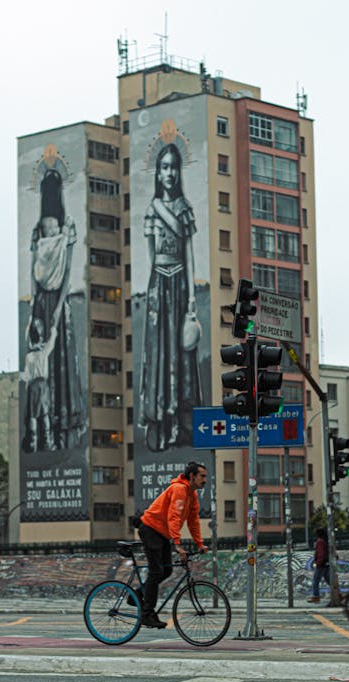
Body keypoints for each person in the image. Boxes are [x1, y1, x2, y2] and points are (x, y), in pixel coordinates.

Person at [139, 143, 202, 452]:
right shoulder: (152, 210)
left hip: (178, 287)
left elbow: (189, 256)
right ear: (158, 171)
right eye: (164, 166)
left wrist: (191, 298)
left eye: (173, 166)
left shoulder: (184, 207)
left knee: (181, 356)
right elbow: (152, 257)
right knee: (159, 354)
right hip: (159, 289)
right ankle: (161, 423)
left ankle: (181, 423)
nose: (169, 172)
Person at [29, 168, 83, 451]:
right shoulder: (38, 231)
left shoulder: (66, 229)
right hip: (43, 303)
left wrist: (59, 308)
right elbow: (33, 274)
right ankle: (47, 435)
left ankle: (65, 428)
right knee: (48, 367)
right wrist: (34, 312)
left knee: (61, 362)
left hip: (56, 305)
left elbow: (67, 275)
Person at [136, 461, 209, 629]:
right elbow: (174, 517)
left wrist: (199, 543)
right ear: (192, 476)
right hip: (150, 529)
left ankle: (137, 595)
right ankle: (147, 615)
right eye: (202, 476)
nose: (205, 480)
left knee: (167, 570)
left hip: (162, 534)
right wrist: (177, 544)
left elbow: (193, 521)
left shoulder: (192, 494)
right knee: (156, 571)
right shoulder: (179, 489)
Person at [20, 319, 57, 452]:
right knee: (44, 413)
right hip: (42, 385)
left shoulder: (29, 356)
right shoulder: (43, 352)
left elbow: (27, 376)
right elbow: (52, 340)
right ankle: (47, 441)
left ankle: (33, 443)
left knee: (33, 415)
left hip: (32, 387)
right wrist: (53, 329)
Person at [307, 527, 330, 603]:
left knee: (315, 581)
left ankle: (316, 596)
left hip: (321, 564)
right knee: (329, 580)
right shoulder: (326, 540)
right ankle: (338, 594)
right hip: (326, 563)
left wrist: (318, 563)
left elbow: (320, 554)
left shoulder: (320, 541)